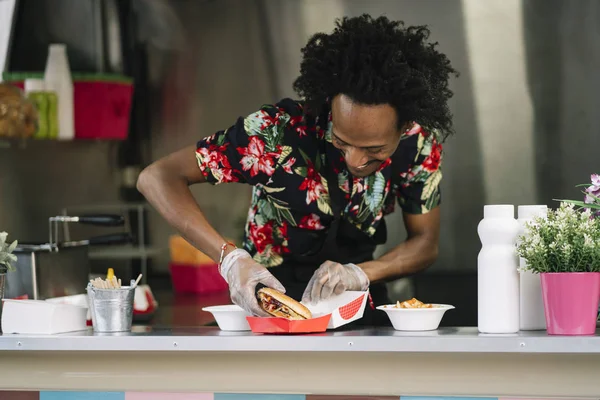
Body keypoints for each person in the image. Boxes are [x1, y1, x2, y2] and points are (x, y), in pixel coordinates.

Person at [137, 14, 458, 326]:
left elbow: (425, 243)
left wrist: (360, 274)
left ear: (404, 126)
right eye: (342, 141)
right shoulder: (276, 134)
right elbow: (158, 177)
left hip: (355, 304)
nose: (355, 161)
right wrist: (230, 260)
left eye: (374, 151)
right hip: (267, 301)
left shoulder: (418, 145)